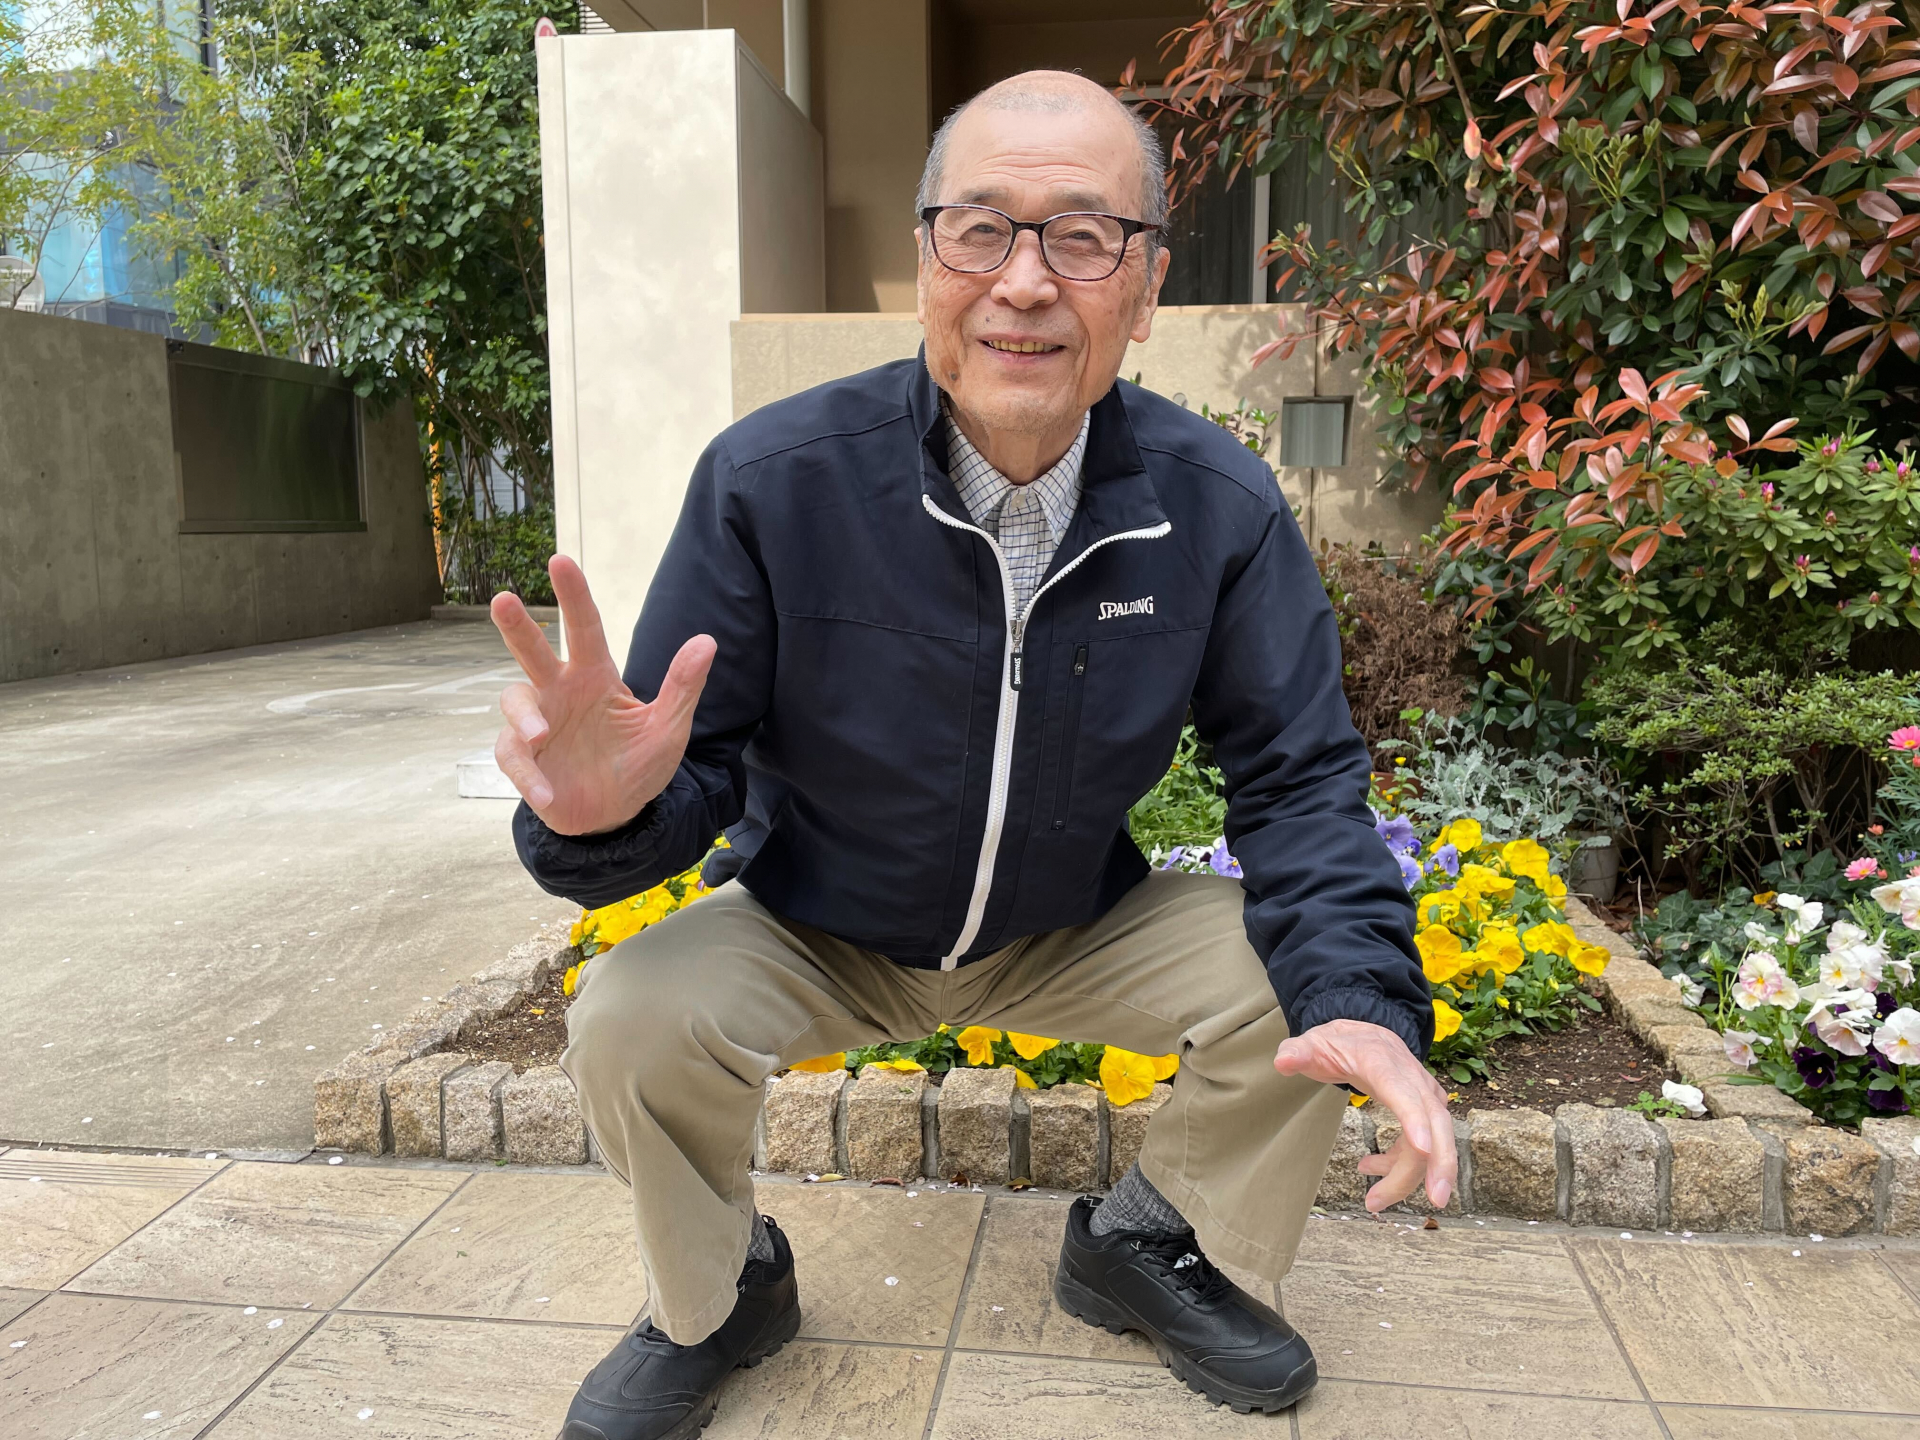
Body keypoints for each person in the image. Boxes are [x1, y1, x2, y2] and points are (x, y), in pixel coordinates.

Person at [489, 68, 1450, 1440]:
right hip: (820, 924)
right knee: (630, 1015)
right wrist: (599, 820)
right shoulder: (772, 481)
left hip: (1069, 922)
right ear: (925, 260)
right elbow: (681, 764)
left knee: (1305, 993)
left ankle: (1150, 1242)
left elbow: (1297, 783)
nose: (1025, 282)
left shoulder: (1218, 509)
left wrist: (1363, 995)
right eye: (982, 229)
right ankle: (720, 1293)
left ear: (1146, 284)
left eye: (1084, 236)